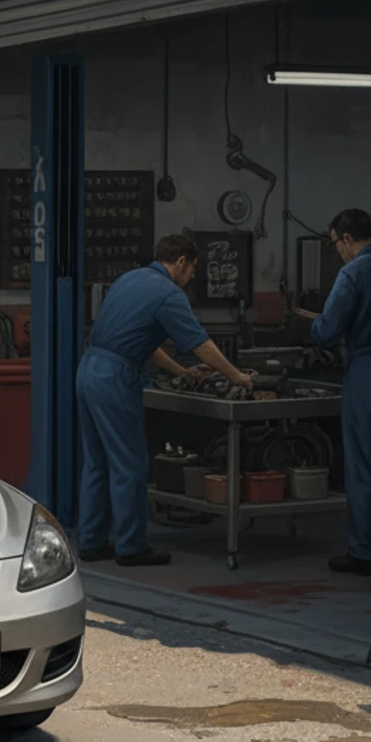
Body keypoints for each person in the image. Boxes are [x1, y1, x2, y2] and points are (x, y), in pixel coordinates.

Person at [78, 234, 254, 566]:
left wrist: (177, 370)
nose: (191, 278)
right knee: (130, 465)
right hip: (115, 379)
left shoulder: (129, 279)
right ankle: (131, 548)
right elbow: (200, 344)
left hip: (88, 370)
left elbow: (140, 340)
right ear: (183, 262)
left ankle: (91, 542)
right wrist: (236, 376)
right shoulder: (168, 294)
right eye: (193, 269)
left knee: (96, 462)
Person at [293, 208, 371, 576]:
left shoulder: (353, 273)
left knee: (364, 464)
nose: (338, 252)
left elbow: (328, 330)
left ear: (347, 238)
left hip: (368, 372)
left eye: (336, 245)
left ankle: (364, 552)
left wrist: (314, 323)